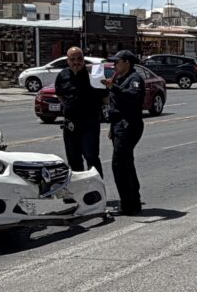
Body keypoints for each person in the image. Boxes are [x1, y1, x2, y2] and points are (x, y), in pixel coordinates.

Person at [105, 49, 145, 216]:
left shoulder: (134, 79)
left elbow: (132, 97)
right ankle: (129, 203)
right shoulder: (120, 77)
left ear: (127, 63)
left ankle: (130, 204)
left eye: (117, 62)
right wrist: (111, 128)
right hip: (119, 125)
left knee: (120, 164)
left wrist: (113, 88)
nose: (114, 65)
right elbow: (116, 105)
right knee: (124, 164)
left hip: (129, 125)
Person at [55, 47, 105, 175]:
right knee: (74, 160)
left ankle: (96, 191)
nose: (76, 62)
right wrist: (68, 106)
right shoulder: (62, 75)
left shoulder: (92, 76)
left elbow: (105, 97)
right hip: (71, 125)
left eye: (79, 59)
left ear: (83, 59)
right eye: (72, 59)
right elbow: (59, 94)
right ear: (68, 61)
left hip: (89, 123)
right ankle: (80, 192)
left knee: (91, 157)